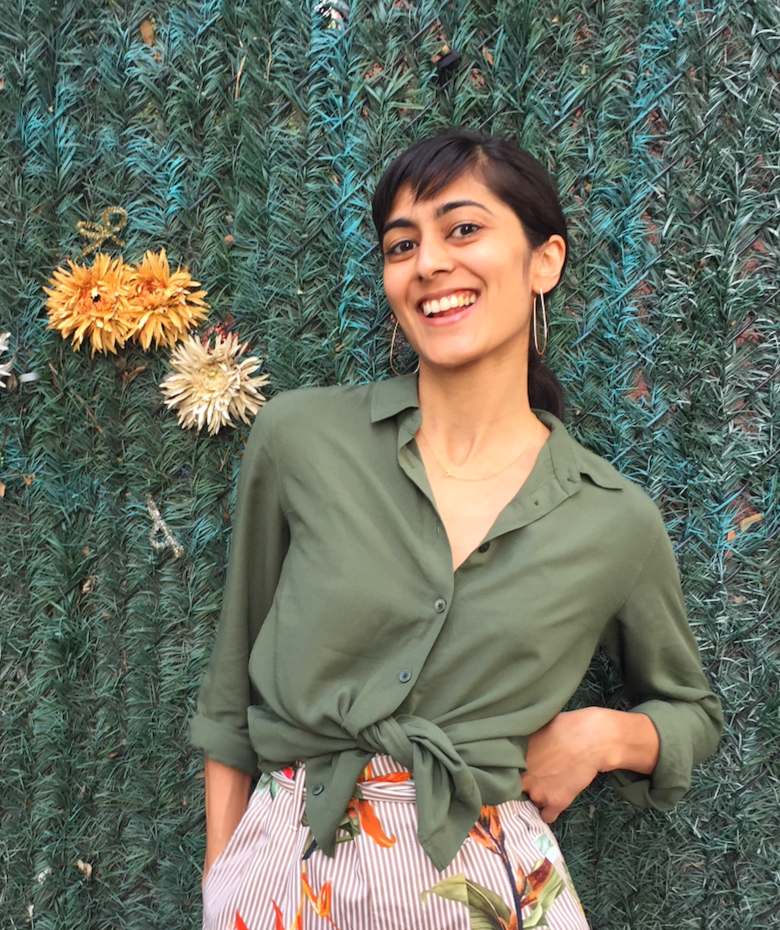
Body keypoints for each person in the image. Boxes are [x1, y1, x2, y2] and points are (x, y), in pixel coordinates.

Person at [190, 129, 722, 930]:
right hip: (286, 869)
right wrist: (222, 878)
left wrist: (603, 736)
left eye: (463, 229)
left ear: (545, 261)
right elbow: (233, 689)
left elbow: (692, 710)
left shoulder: (613, 520)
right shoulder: (300, 439)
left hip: (487, 882)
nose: (429, 263)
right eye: (402, 245)